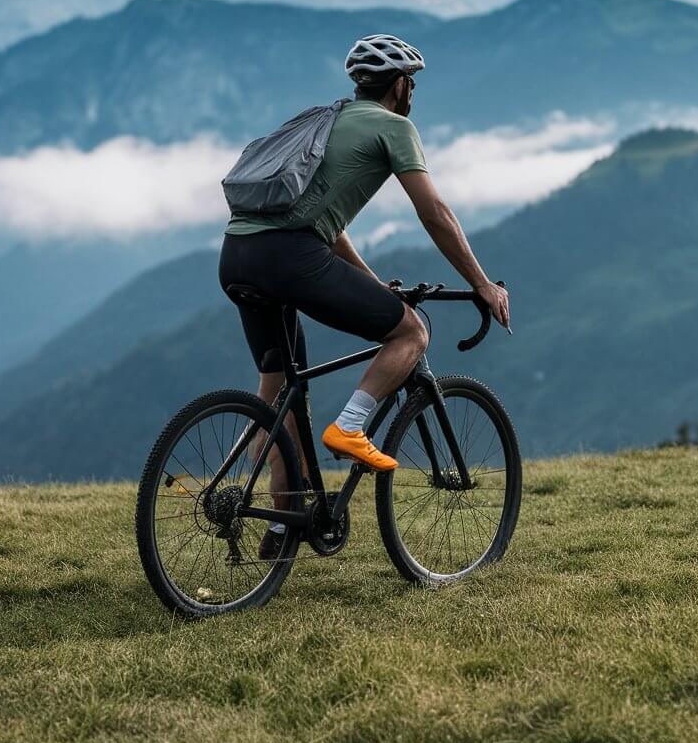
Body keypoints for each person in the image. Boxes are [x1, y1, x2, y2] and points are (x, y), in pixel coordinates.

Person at [218, 34, 510, 559]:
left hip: (238, 253)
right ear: (400, 86)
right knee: (412, 331)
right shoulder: (395, 127)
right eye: (412, 83)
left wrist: (372, 286)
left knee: (279, 394)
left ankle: (281, 527)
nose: (413, 92)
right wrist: (482, 284)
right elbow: (434, 213)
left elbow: (326, 227)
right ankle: (350, 427)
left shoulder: (330, 121)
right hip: (290, 257)